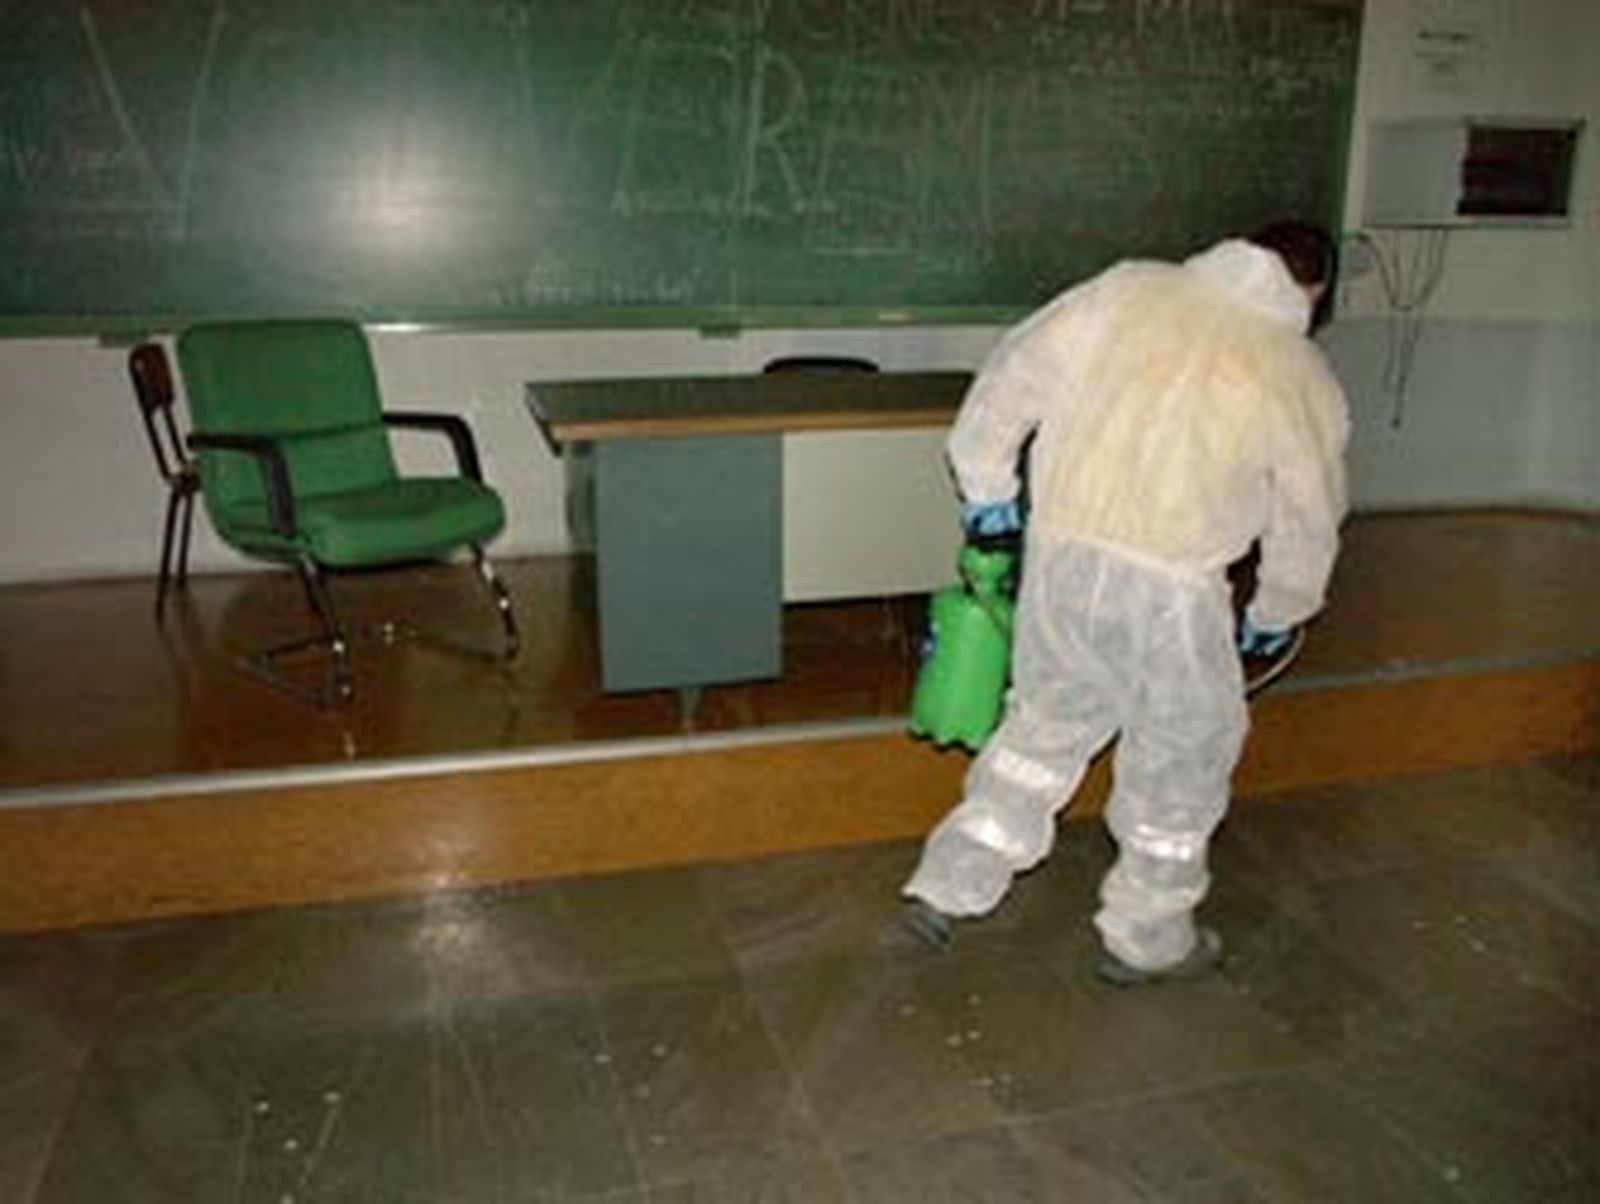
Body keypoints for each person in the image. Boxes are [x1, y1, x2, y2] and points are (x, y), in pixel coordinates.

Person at [901, 222, 1349, 986]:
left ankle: (949, 884)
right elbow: (1308, 515)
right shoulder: (1295, 369)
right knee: (1180, 762)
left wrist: (989, 498)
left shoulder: (1125, 289)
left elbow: (1008, 381)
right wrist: (1279, 611)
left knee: (1041, 727)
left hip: (1062, 563)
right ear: (1314, 291)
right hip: (1174, 593)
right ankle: (1148, 937)